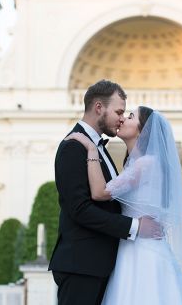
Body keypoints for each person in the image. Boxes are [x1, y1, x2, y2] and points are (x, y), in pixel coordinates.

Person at [66, 105, 182, 304]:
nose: (123, 119)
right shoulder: (138, 163)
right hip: (135, 244)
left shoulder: (145, 164)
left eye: (131, 116)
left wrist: (91, 149)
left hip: (141, 251)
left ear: (142, 130)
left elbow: (100, 193)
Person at [48, 80, 163, 305]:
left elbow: (108, 199)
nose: (122, 118)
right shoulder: (73, 146)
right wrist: (136, 226)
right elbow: (80, 210)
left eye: (126, 114)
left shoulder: (101, 148)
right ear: (99, 107)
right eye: (119, 111)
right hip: (81, 265)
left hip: (103, 265)